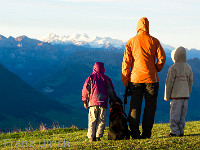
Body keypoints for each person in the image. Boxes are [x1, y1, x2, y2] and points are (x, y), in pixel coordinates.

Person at [122, 17, 166, 139]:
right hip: (151, 79)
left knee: (135, 105)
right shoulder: (155, 41)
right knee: (150, 107)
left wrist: (125, 79)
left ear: (138, 27)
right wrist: (157, 68)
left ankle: (135, 133)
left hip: (135, 79)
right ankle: (146, 133)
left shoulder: (131, 41)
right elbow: (162, 58)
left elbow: (126, 62)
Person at [82, 62, 117, 142]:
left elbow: (85, 90)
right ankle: (98, 136)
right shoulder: (106, 79)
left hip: (93, 102)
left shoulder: (90, 78)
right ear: (103, 69)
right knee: (101, 120)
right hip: (103, 103)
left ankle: (91, 137)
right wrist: (114, 100)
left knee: (92, 120)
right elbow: (111, 91)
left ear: (94, 68)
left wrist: (85, 101)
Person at [164, 46, 193, 137]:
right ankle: (181, 131)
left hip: (176, 96)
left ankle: (174, 132)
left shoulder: (173, 68)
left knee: (175, 114)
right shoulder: (188, 67)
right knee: (182, 115)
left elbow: (169, 83)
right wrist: (188, 92)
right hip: (185, 96)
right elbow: (190, 81)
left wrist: (166, 96)